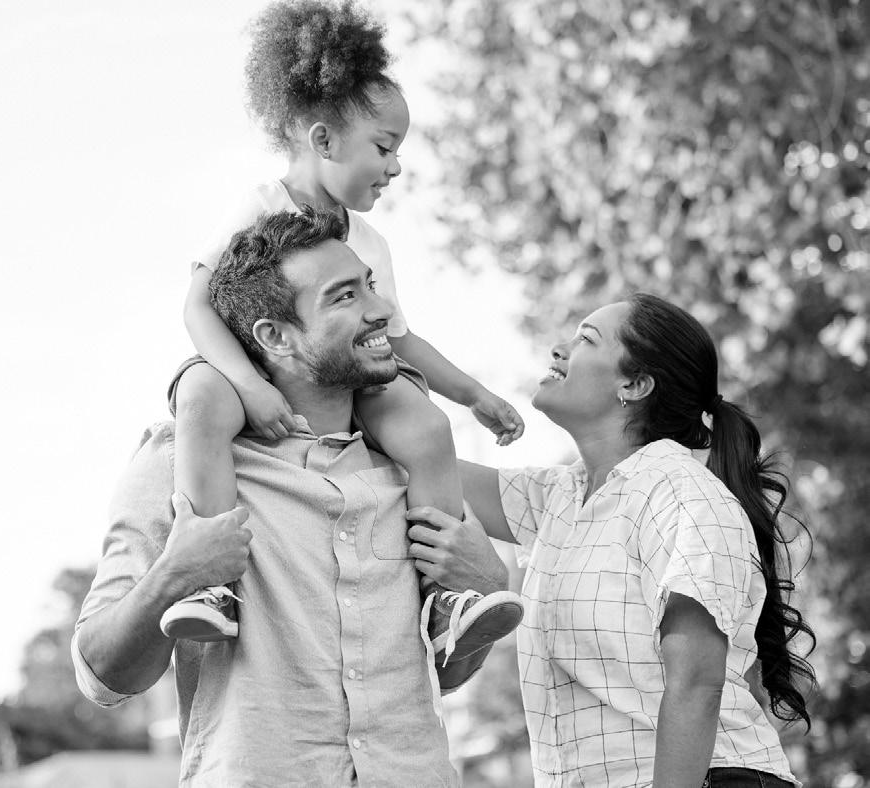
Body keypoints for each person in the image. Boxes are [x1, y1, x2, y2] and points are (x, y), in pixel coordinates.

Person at [73, 208, 513, 786]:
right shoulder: (181, 462)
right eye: (345, 297)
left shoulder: (412, 461)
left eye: (370, 286)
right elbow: (102, 676)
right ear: (275, 337)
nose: (381, 310)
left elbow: (447, 673)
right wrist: (174, 577)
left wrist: (486, 583)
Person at [162, 0, 524, 680]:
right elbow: (197, 306)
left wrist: (473, 394)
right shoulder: (261, 208)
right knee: (201, 400)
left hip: (344, 379)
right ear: (324, 140)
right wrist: (246, 384)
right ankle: (209, 581)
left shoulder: (370, 243)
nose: (395, 167)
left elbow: (398, 338)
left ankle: (445, 600)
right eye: (384, 147)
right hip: (251, 366)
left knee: (425, 425)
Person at [436, 293, 815, 786]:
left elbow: (696, 684)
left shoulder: (682, 495)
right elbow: (419, 456)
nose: (559, 349)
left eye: (586, 339)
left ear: (634, 385)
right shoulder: (560, 498)